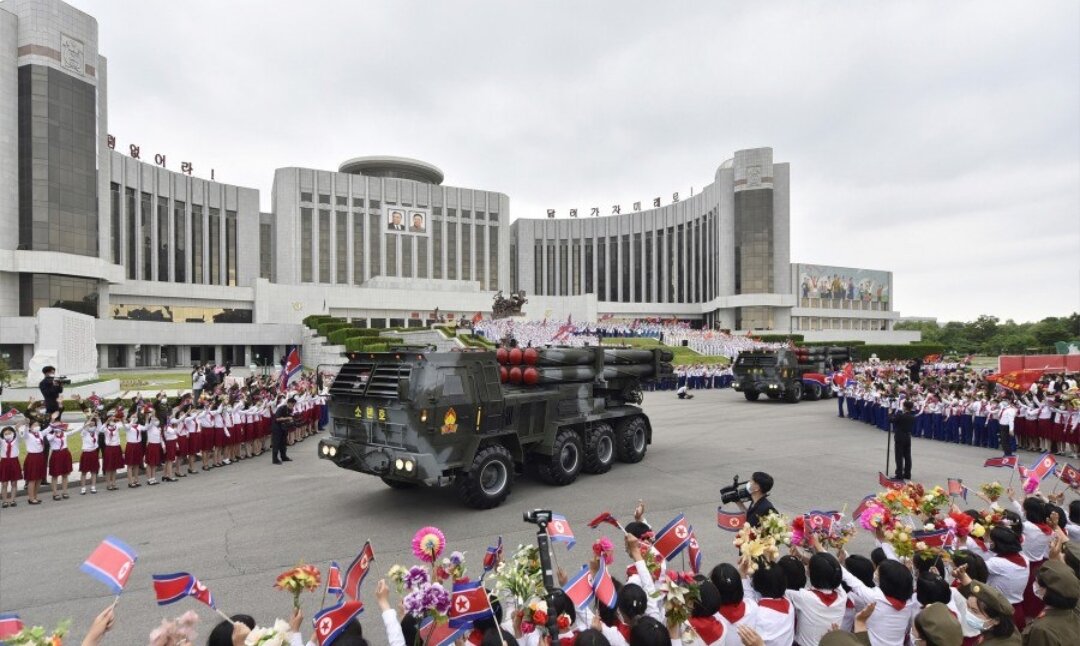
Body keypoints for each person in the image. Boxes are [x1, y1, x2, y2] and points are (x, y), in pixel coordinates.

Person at [1022, 560, 1080, 645]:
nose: (1034, 585)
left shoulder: (1042, 630)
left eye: (1037, 583)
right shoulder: (1073, 615)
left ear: (1045, 591)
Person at [890, 400, 916, 480]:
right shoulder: (912, 417)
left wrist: (890, 413)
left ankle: (899, 474)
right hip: (907, 436)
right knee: (907, 456)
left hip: (900, 436)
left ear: (905, 407)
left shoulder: (900, 415)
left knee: (899, 456)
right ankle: (907, 474)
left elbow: (891, 420)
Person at [271, 397, 296, 464]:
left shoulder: (290, 410)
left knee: (283, 442)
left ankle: (283, 456)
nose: (293, 406)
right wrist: (287, 418)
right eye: (292, 404)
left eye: (294, 405)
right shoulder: (281, 408)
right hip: (277, 427)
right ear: (288, 403)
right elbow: (277, 419)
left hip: (284, 427)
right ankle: (275, 459)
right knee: (276, 443)